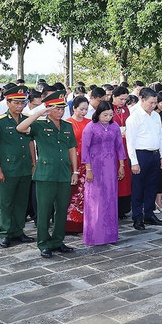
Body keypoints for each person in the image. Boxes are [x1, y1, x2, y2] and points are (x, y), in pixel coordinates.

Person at [17, 93, 79, 258]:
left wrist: (75, 171)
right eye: (57, 109)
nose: (60, 112)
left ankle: (58, 241)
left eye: (62, 109)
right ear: (49, 109)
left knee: (61, 209)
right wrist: (39, 113)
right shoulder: (39, 125)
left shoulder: (67, 126)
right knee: (44, 211)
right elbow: (20, 128)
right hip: (45, 174)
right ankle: (44, 243)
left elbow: (72, 149)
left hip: (64, 173)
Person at [0, 85, 35, 248]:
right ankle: (5, 233)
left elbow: (30, 143)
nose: (19, 106)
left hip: (24, 167)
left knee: (21, 201)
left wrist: (33, 164)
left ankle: (18, 231)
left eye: (22, 103)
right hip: (8, 169)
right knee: (7, 202)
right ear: (8, 102)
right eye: (16, 103)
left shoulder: (25, 119)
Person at [81, 100, 127, 246]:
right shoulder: (90, 127)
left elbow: (119, 147)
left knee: (110, 199)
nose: (107, 118)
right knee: (95, 200)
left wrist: (121, 165)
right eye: (104, 115)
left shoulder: (114, 126)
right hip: (95, 166)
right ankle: (94, 235)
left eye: (110, 115)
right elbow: (85, 149)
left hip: (110, 166)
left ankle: (110, 235)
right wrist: (88, 169)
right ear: (98, 114)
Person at [125, 88, 162, 231]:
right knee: (138, 188)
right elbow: (130, 142)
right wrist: (134, 162)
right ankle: (137, 217)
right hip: (140, 155)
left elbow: (161, 136)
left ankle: (149, 214)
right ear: (142, 100)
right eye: (151, 103)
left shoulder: (155, 116)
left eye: (155, 103)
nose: (153, 105)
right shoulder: (134, 118)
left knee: (152, 186)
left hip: (154, 155)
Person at [66, 95, 90, 234]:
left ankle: (86, 222)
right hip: (73, 161)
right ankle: (71, 224)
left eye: (86, 109)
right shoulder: (68, 123)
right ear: (74, 108)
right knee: (73, 193)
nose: (84, 112)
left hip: (87, 162)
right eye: (81, 109)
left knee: (86, 192)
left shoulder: (89, 123)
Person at [109, 86, 133, 221]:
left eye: (125, 99)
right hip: (113, 146)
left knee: (125, 178)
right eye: (121, 98)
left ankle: (123, 208)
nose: (123, 101)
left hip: (125, 144)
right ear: (114, 96)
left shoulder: (126, 110)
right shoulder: (108, 108)